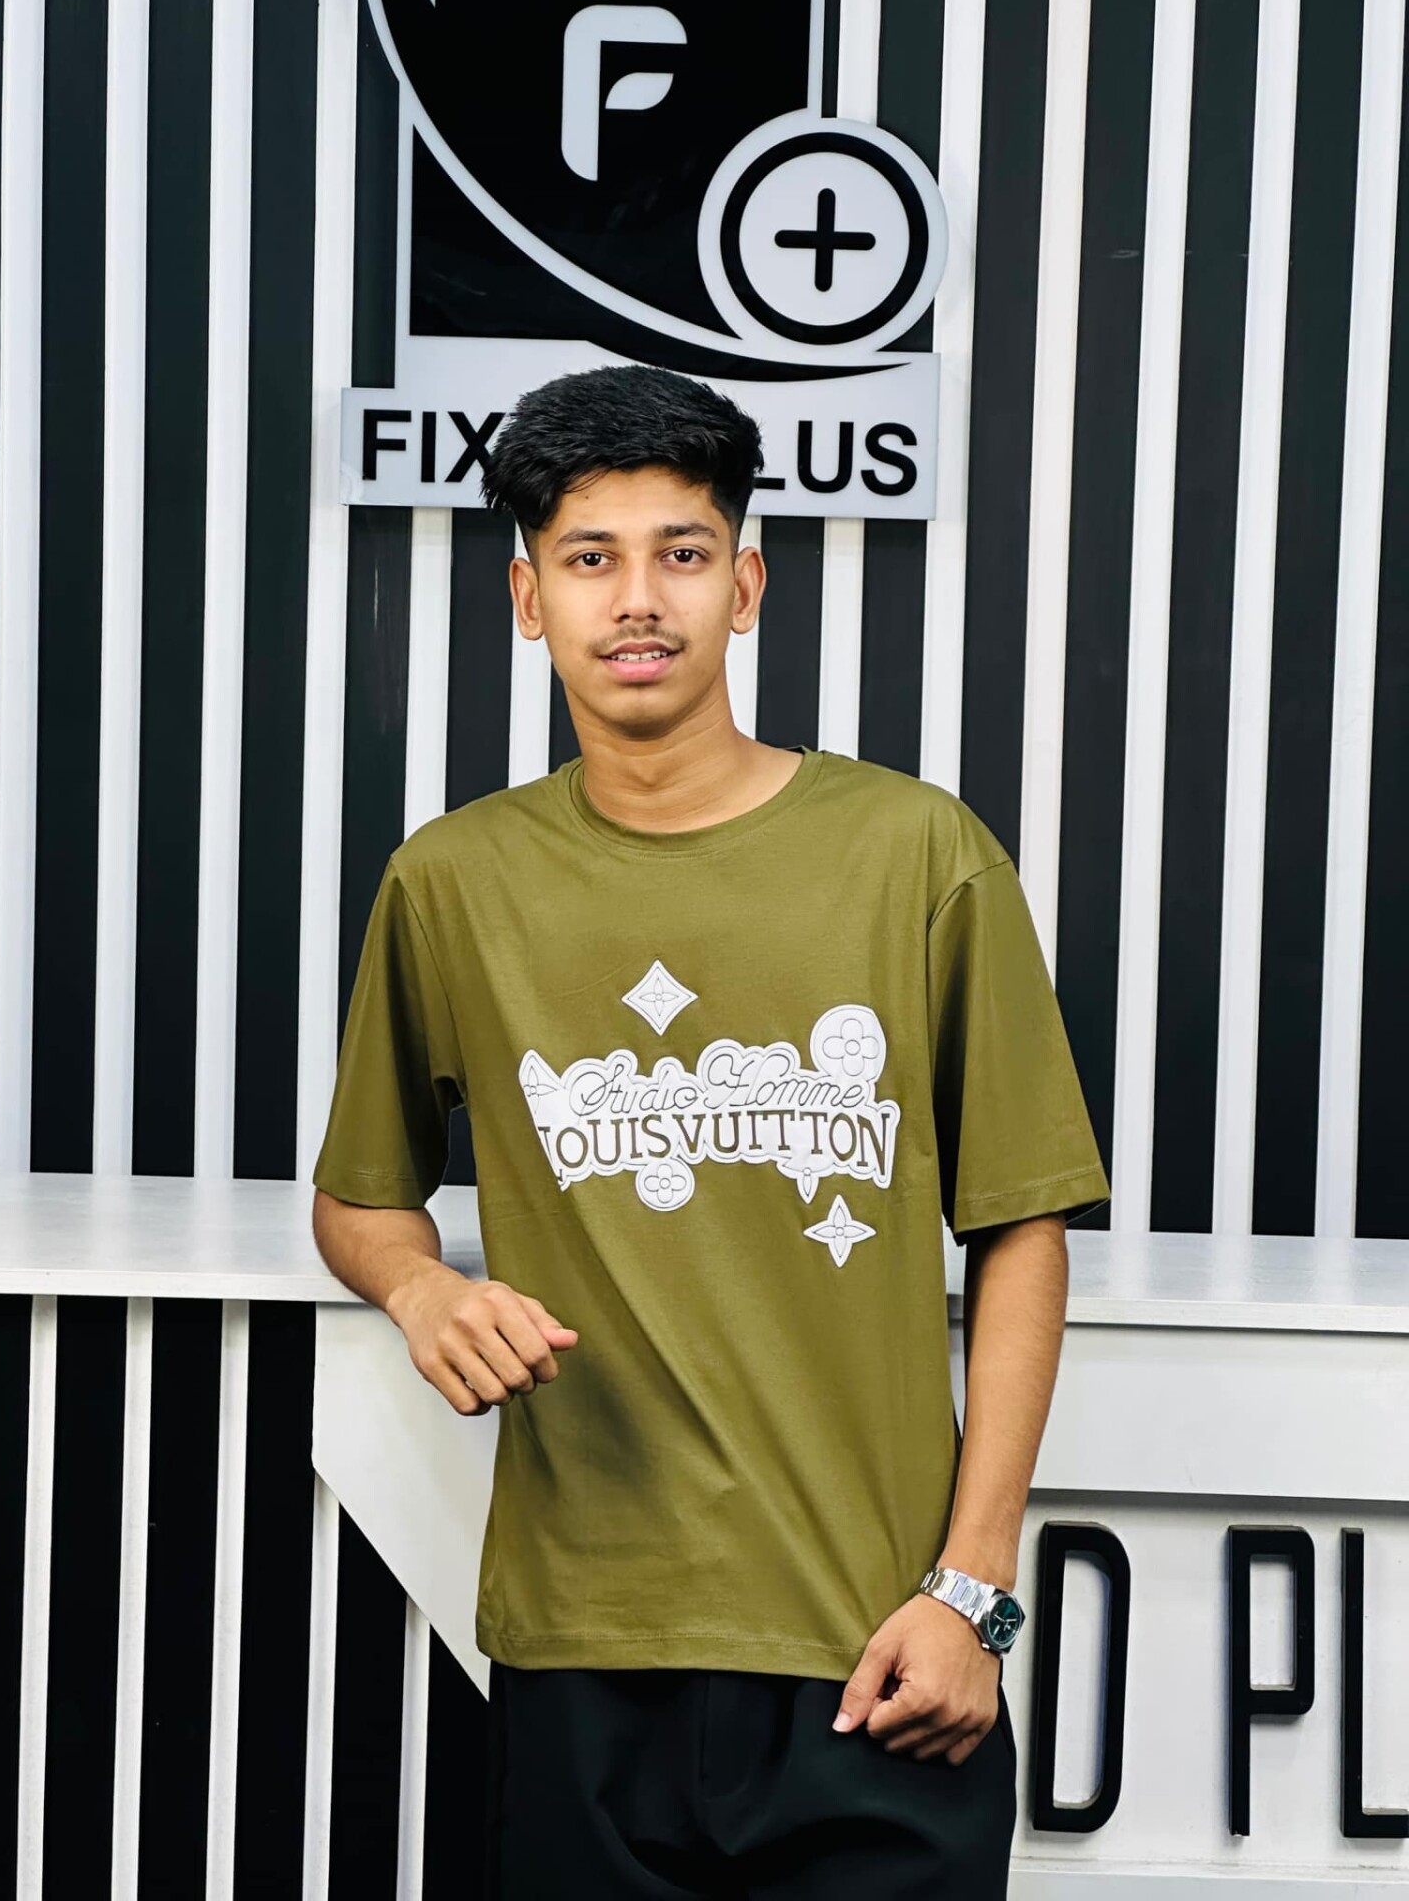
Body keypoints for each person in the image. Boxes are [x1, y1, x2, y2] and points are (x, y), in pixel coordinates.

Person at [310, 362, 1110, 1897]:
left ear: (745, 587)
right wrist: (420, 1289)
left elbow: (1024, 1223)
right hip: (582, 1653)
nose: (638, 600)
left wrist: (976, 1591)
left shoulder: (917, 854)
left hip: (880, 1649)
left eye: (681, 553)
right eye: (589, 557)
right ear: (528, 600)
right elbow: (359, 1198)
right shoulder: (454, 884)